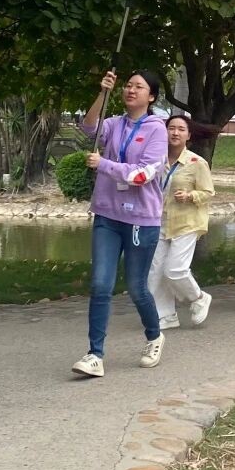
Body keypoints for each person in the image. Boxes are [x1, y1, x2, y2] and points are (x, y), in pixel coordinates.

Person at [72, 69, 168, 379]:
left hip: (141, 219)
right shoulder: (114, 123)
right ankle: (94, 354)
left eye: (139, 87)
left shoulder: (157, 130)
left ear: (151, 97)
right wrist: (103, 93)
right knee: (100, 284)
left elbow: (143, 174)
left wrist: (104, 165)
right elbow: (89, 128)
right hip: (107, 215)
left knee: (137, 287)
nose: (131, 90)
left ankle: (154, 336)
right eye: (128, 85)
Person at [148, 115, 216, 330]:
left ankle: (199, 297)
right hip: (160, 221)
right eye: (171, 128)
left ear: (188, 135)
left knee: (175, 270)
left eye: (180, 129)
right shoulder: (156, 159)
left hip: (187, 222)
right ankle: (166, 315)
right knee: (156, 272)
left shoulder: (196, 163)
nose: (175, 133)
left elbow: (208, 192)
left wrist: (190, 195)